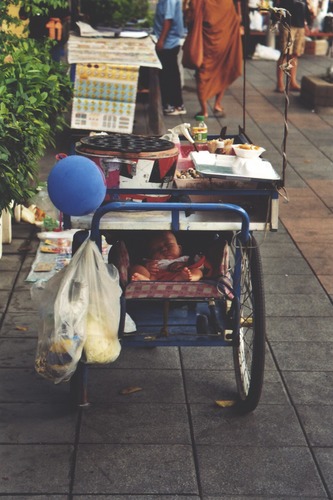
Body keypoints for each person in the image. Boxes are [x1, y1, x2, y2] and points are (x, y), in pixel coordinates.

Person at [183, 0, 243, 118]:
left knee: (202, 74)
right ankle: (217, 104)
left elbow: (191, 16)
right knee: (223, 70)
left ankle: (204, 110)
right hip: (224, 40)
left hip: (206, 43)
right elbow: (236, 18)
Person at [129, 231, 211, 282]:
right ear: (151, 254)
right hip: (155, 279)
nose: (164, 249)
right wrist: (147, 267)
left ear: (180, 249)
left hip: (180, 275)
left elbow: (200, 263)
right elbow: (139, 263)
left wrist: (185, 266)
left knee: (198, 271)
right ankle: (145, 280)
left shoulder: (187, 259)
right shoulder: (151, 262)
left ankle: (190, 278)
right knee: (137, 268)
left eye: (169, 245)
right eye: (157, 249)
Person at [153, 0, 187, 116]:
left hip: (169, 42)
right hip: (168, 41)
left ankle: (171, 104)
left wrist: (161, 40)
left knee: (168, 73)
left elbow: (168, 20)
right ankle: (176, 104)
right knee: (172, 72)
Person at [275, 0, 315, 92]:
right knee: (285, 54)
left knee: (295, 55)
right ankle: (280, 83)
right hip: (287, 25)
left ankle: (292, 82)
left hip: (300, 26)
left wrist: (307, 24)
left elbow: (305, 10)